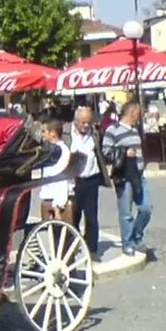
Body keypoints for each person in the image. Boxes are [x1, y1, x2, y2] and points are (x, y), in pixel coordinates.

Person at [102, 101, 152, 257]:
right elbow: (106, 152)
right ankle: (128, 243)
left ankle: (137, 235)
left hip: (139, 175)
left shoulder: (135, 130)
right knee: (126, 213)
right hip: (123, 176)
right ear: (132, 113)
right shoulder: (113, 130)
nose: (140, 117)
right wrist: (124, 152)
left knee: (146, 209)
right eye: (139, 114)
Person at [67, 106, 111, 262]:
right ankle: (72, 247)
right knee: (73, 216)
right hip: (74, 181)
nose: (86, 126)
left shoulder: (95, 134)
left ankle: (92, 249)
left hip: (91, 179)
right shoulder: (68, 135)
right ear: (76, 121)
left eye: (89, 122)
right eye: (83, 123)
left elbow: (100, 153)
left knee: (91, 216)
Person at [37, 119, 73, 224]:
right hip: (47, 197)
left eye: (44, 131)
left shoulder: (62, 151)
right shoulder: (47, 151)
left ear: (52, 133)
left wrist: (57, 205)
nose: (42, 135)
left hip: (57, 201)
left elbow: (61, 179)